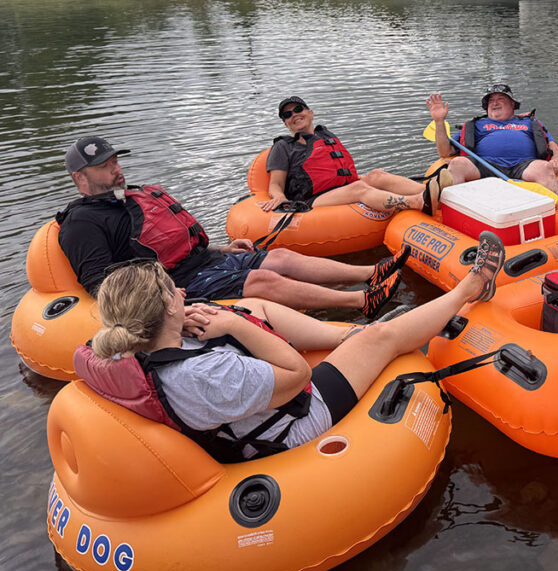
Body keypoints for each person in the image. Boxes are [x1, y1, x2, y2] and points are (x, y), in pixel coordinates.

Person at [79, 232, 506, 461]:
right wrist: (234, 326)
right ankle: (472, 288)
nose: (184, 294)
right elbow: (298, 378)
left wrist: (199, 323)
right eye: (175, 294)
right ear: (164, 313)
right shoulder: (203, 376)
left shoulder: (133, 345)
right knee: (381, 336)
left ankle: (350, 335)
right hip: (290, 428)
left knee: (253, 307)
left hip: (245, 413)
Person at [58, 136, 408, 318]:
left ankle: (373, 271)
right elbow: (99, 285)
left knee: (281, 257)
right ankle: (361, 302)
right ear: (80, 177)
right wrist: (162, 295)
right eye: (105, 166)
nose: (116, 169)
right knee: (262, 279)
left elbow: (177, 241)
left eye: (116, 161)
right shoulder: (82, 222)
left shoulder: (132, 196)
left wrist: (221, 249)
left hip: (204, 263)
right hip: (175, 284)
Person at [264, 96, 451, 215]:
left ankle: (434, 193)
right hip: (311, 200)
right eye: (287, 115)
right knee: (359, 188)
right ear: (285, 124)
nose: (294, 115)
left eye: (298, 109)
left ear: (310, 113)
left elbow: (335, 171)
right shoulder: (283, 147)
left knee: (376, 175)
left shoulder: (325, 136)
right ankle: (418, 202)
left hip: (339, 189)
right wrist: (279, 197)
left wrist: (371, 178)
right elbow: (275, 183)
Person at [426, 83, 558, 194]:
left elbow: (551, 144)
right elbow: (445, 152)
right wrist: (439, 122)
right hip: (485, 165)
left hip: (524, 165)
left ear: (513, 104)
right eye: (491, 101)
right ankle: (452, 214)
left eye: (500, 99)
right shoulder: (476, 125)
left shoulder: (530, 122)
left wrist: (555, 159)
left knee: (544, 168)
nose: (495, 103)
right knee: (457, 164)